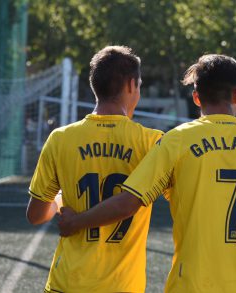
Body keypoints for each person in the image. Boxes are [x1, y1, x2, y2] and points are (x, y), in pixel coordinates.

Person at [58, 54, 236, 292]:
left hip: (191, 285)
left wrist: (77, 222)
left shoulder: (177, 141)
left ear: (196, 97)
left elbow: (128, 202)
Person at [26, 45, 163, 292]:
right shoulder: (152, 142)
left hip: (67, 282)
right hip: (123, 286)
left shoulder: (61, 138)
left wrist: (59, 200)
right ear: (132, 85)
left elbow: (35, 215)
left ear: (94, 86)